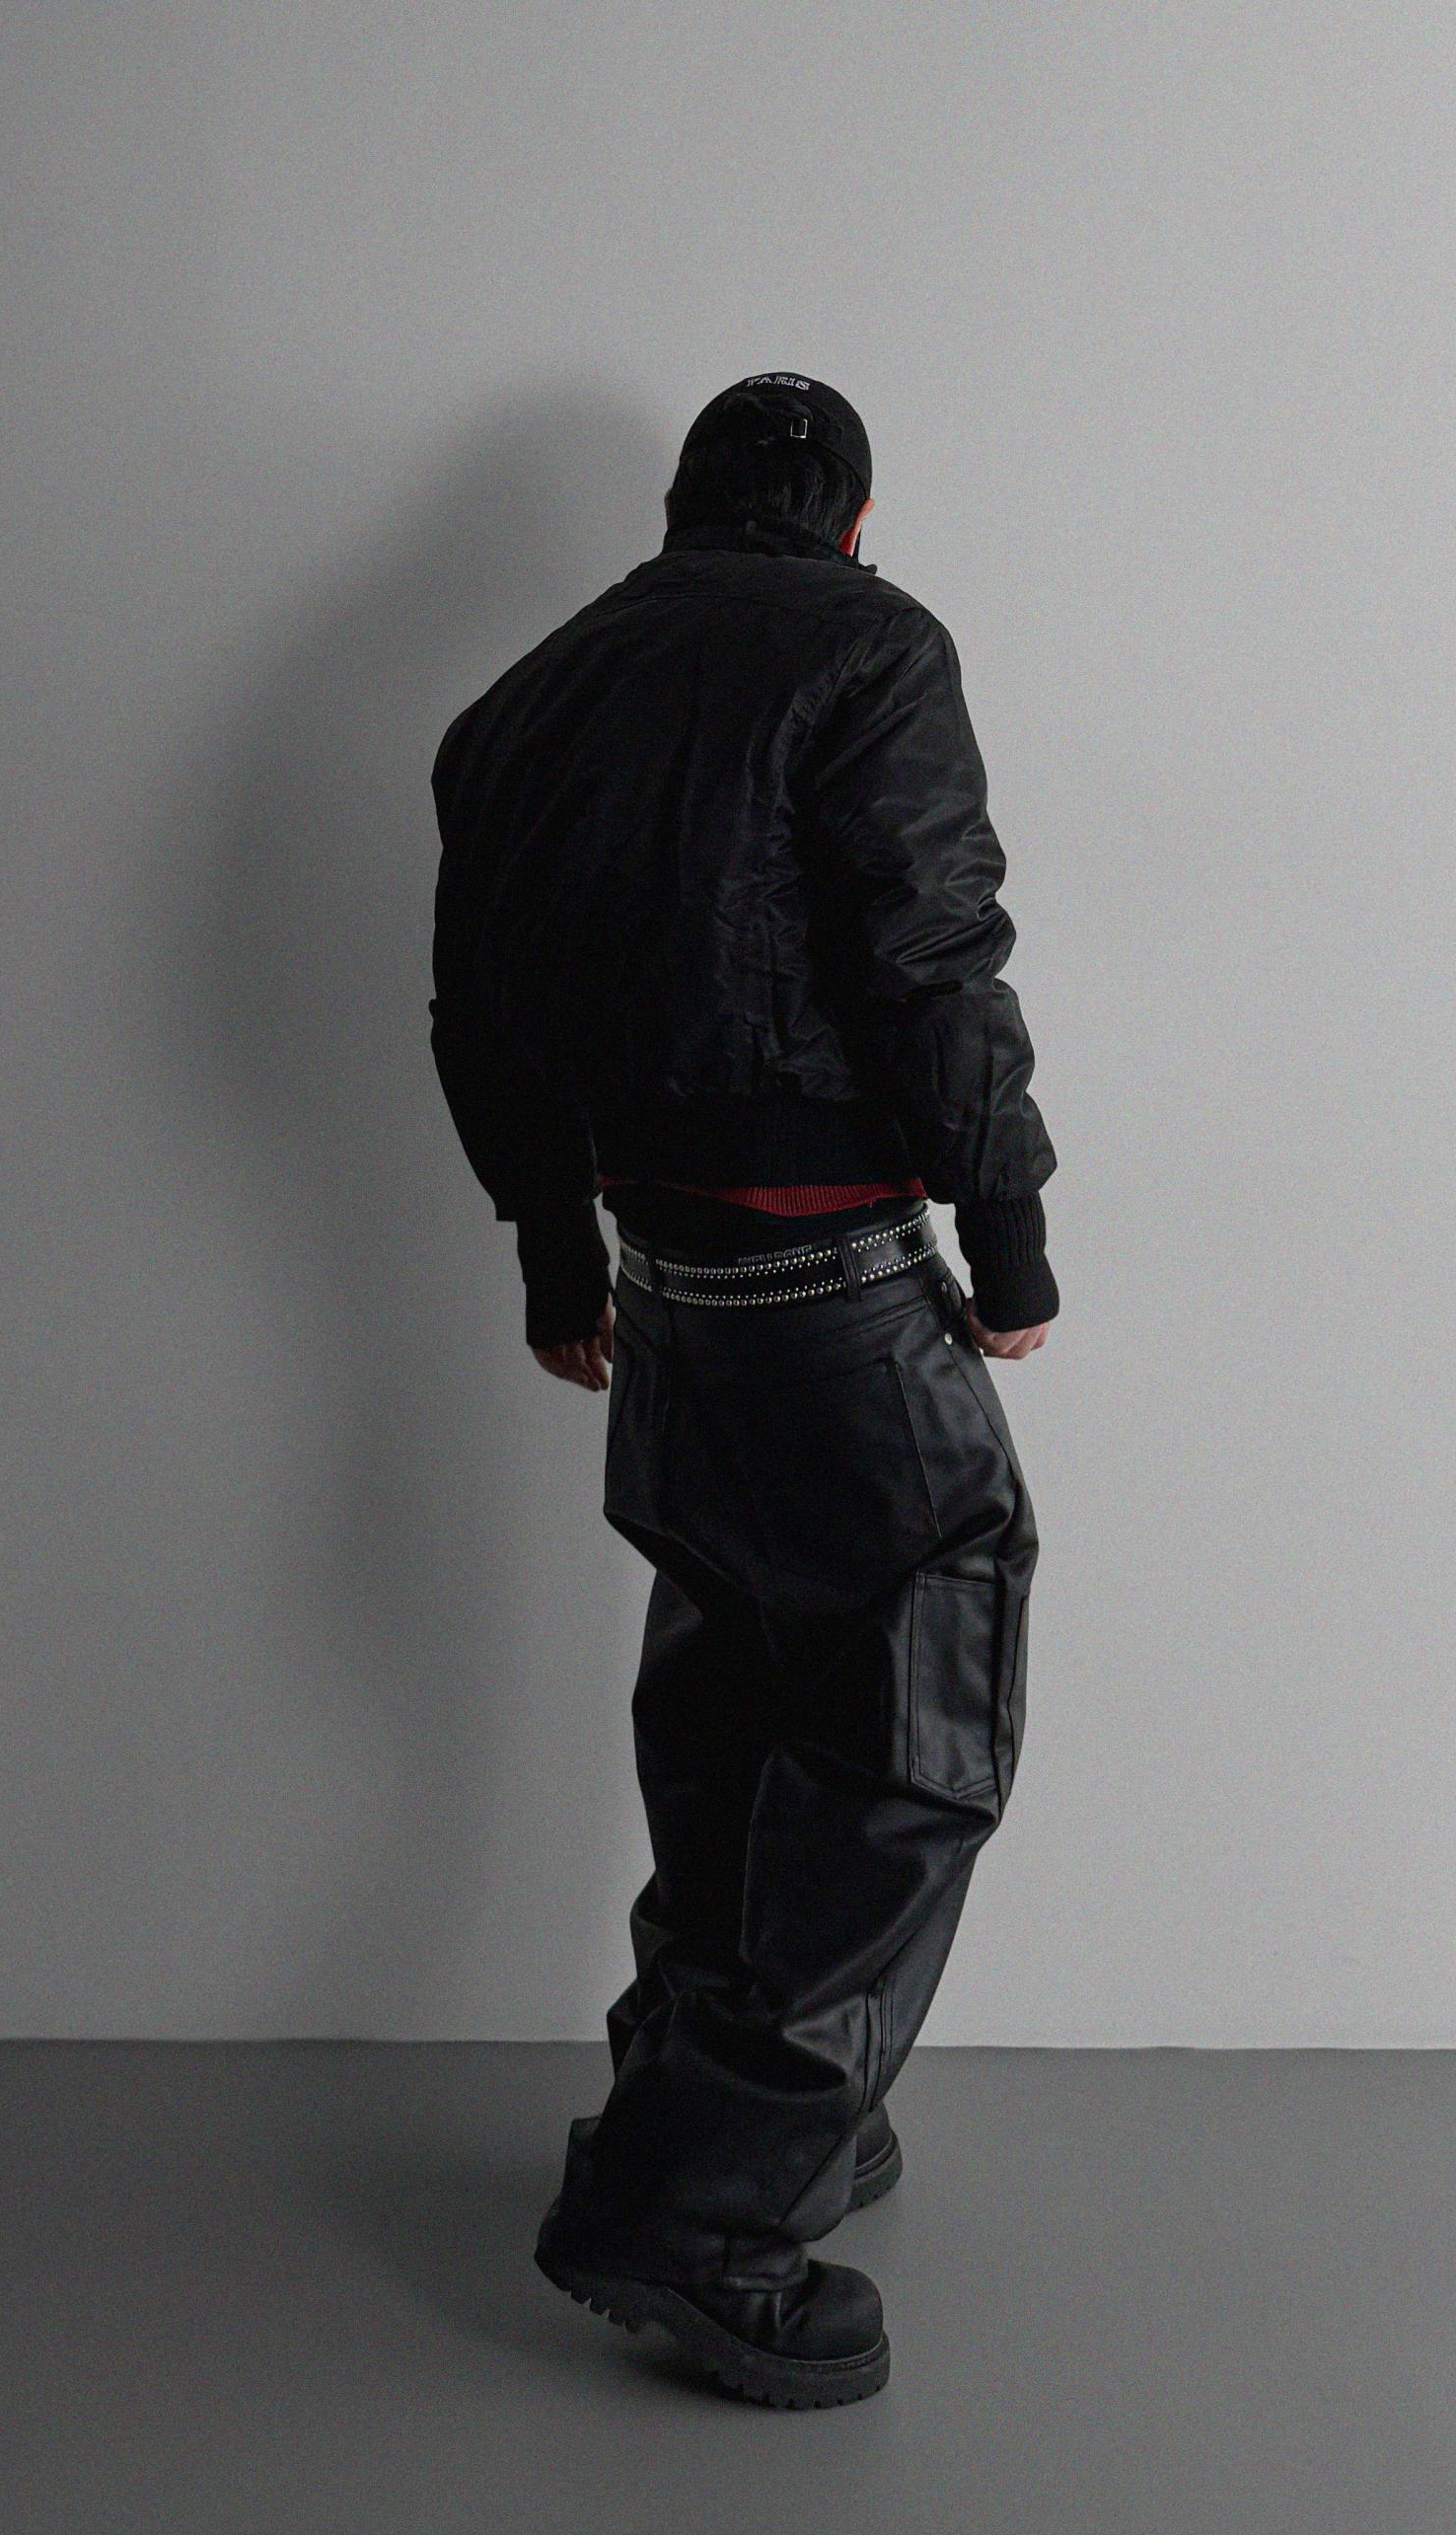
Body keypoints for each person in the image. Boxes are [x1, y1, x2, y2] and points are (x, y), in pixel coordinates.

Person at [427, 372, 1057, 2408]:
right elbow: (932, 953)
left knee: (736, 1704)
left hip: (670, 1294)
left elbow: (473, 1013)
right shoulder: (873, 646)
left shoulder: (524, 698)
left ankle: (722, 2096)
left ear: (684, 510)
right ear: (850, 520)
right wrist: (1011, 1236)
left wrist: (556, 1258)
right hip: (828, 1284)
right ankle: (694, 2211)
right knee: (907, 1729)